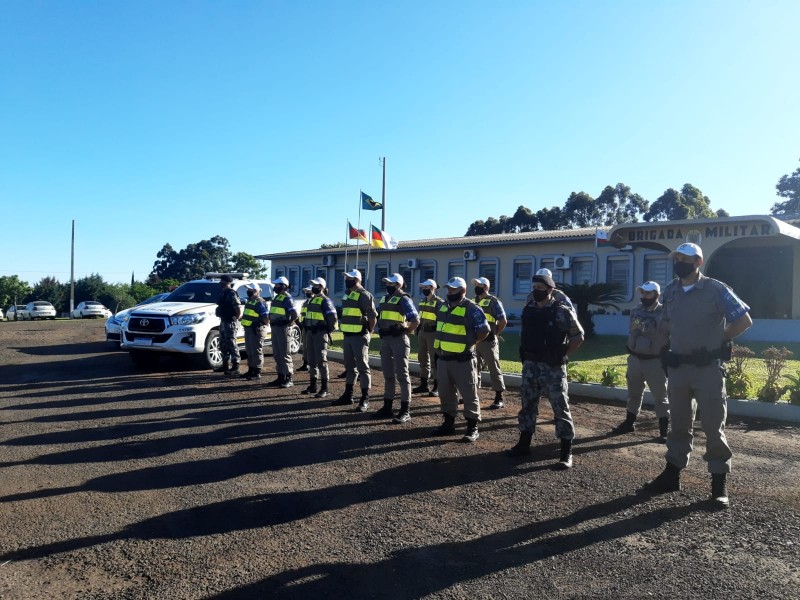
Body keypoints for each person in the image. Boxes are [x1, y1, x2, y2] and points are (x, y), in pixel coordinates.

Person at [643, 243, 752, 508]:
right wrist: (665, 348)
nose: (679, 262)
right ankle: (672, 475)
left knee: (714, 427)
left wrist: (720, 340)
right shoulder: (670, 291)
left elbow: (744, 320)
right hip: (679, 369)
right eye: (677, 258)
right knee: (678, 424)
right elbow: (666, 323)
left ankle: (718, 484)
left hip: (707, 370)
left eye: (685, 258)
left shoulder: (716, 289)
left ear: (698, 262)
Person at [509, 272, 584, 469]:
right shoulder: (529, 309)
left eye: (540, 289)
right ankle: (524, 444)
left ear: (550, 290)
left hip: (553, 368)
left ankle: (566, 452)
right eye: (534, 288)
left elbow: (578, 336)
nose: (536, 292)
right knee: (528, 404)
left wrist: (562, 353)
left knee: (560, 407)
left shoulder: (562, 311)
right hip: (531, 365)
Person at [431, 277, 490, 442]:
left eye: (453, 289)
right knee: (446, 393)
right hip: (443, 359)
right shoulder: (443, 306)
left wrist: (470, 343)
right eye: (448, 289)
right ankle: (448, 424)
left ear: (463, 291)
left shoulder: (472, 308)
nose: (449, 292)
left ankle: (472, 428)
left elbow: (484, 330)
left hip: (462, 360)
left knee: (469, 394)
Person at [612, 281, 670, 440]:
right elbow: (633, 330)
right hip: (635, 358)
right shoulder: (635, 310)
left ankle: (664, 431)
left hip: (655, 361)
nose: (644, 296)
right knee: (633, 392)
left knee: (660, 396)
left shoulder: (665, 312)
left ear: (657, 295)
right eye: (642, 293)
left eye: (648, 293)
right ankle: (629, 423)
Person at [374, 273, 419, 423]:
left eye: (391, 284)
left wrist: (404, 330)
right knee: (388, 375)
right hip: (386, 340)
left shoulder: (404, 299)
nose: (388, 286)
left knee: (402, 375)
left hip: (398, 340)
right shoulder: (384, 298)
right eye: (387, 283)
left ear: (398, 285)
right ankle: (387, 407)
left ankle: (405, 410)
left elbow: (415, 320)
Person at [332, 269, 377, 411]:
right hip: (348, 336)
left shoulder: (364, 295)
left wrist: (368, 331)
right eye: (346, 278)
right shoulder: (348, 294)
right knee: (350, 367)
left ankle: (365, 398)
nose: (347, 280)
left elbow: (372, 316)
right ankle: (348, 395)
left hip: (359, 336)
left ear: (358, 280)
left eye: (350, 278)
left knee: (363, 368)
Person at [472, 277, 508, 409]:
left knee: (494, 368)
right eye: (475, 285)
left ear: (486, 287)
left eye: (479, 285)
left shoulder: (494, 301)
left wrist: (495, 333)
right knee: (474, 368)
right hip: (475, 341)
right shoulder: (473, 301)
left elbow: (503, 320)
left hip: (488, 342)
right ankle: (472, 395)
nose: (476, 287)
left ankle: (499, 397)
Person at [300, 278, 338, 399]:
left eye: (316, 285)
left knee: (321, 360)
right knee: (311, 360)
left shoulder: (325, 301)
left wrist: (326, 329)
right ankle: (313, 385)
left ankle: (325, 388)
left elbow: (333, 318)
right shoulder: (312, 300)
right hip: (310, 332)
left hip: (320, 333)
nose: (313, 287)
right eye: (313, 285)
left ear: (321, 287)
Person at [412, 278, 444, 397]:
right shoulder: (422, 301)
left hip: (433, 333)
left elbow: (441, 320)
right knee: (422, 358)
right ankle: (424, 384)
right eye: (423, 288)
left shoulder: (439, 302)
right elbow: (420, 318)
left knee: (435, 359)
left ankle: (437, 386)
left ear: (433, 288)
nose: (424, 290)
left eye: (426, 287)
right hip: (423, 332)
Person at [266, 276, 299, 389]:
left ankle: (289, 378)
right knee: (277, 354)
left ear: (284, 286)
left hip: (283, 328)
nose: (275, 287)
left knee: (285, 354)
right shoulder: (277, 298)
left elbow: (294, 315)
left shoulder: (287, 298)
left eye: (278, 285)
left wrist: (287, 324)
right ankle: (281, 376)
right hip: (275, 328)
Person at [214, 274, 243, 376]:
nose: (220, 283)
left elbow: (237, 307)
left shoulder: (231, 293)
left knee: (231, 343)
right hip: (224, 321)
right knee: (223, 343)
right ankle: (225, 364)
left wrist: (236, 317)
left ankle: (236, 366)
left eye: (222, 281)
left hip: (230, 322)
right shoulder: (223, 293)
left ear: (227, 282)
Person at [241, 283, 269, 380]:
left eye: (251, 290)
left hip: (256, 329)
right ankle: (251, 370)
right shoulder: (250, 301)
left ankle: (257, 372)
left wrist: (260, 325)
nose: (248, 291)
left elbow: (266, 318)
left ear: (257, 291)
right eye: (248, 289)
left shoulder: (260, 302)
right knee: (249, 350)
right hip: (249, 329)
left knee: (256, 350)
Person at [296, 286, 314, 372]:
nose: (307, 293)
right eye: (306, 291)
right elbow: (302, 314)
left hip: (312, 328)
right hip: (305, 327)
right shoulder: (305, 303)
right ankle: (305, 364)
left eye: (309, 291)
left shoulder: (315, 302)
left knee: (312, 348)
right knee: (306, 347)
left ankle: (312, 365)